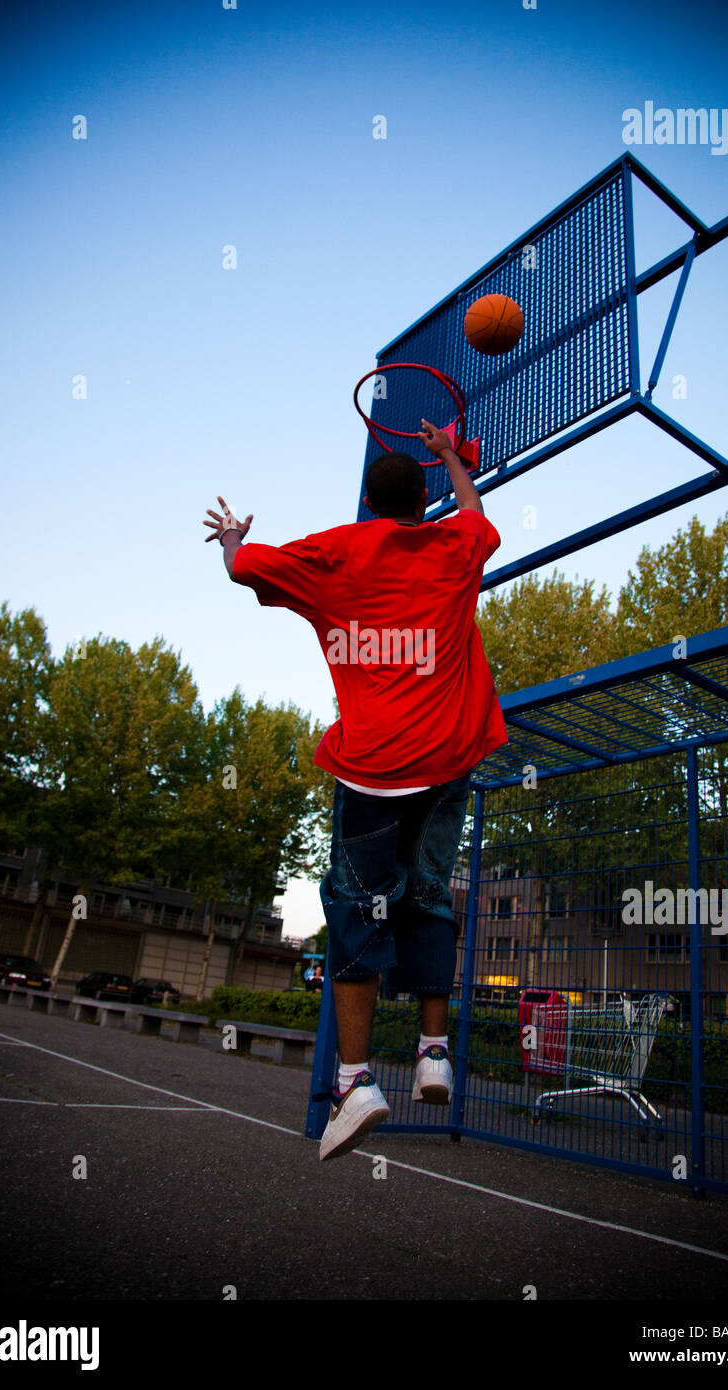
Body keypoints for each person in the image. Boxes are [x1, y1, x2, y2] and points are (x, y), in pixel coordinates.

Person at [203, 420, 508, 1160]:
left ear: (370, 503)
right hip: (451, 754)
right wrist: (450, 460)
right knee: (430, 894)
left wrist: (234, 538)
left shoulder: (334, 552)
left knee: (354, 907)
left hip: (374, 767)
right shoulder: (454, 546)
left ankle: (354, 1081)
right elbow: (476, 517)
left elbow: (243, 573)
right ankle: (434, 1053)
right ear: (422, 501)